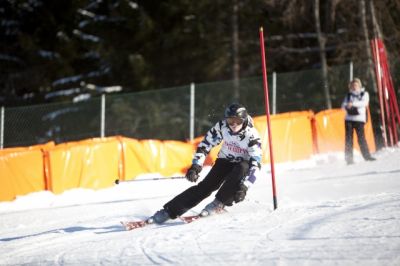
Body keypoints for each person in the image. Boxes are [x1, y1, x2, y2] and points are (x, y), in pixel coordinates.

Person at [148, 103, 262, 224]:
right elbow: (205, 146)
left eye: (238, 121)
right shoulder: (222, 126)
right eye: (230, 120)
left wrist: (244, 187)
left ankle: (219, 203)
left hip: (242, 165)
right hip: (225, 161)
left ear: (243, 120)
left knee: (242, 167)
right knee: (205, 187)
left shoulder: (252, 136)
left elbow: (256, 164)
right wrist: (196, 166)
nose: (234, 125)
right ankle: (169, 211)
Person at [341, 78, 376, 165]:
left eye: (356, 85)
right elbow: (342, 106)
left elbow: (364, 103)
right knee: (348, 139)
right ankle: (349, 159)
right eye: (352, 85)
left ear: (359, 85)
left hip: (359, 119)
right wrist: (347, 106)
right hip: (349, 119)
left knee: (361, 138)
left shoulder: (364, 94)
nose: (354, 87)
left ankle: (367, 156)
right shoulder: (348, 95)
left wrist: (353, 104)